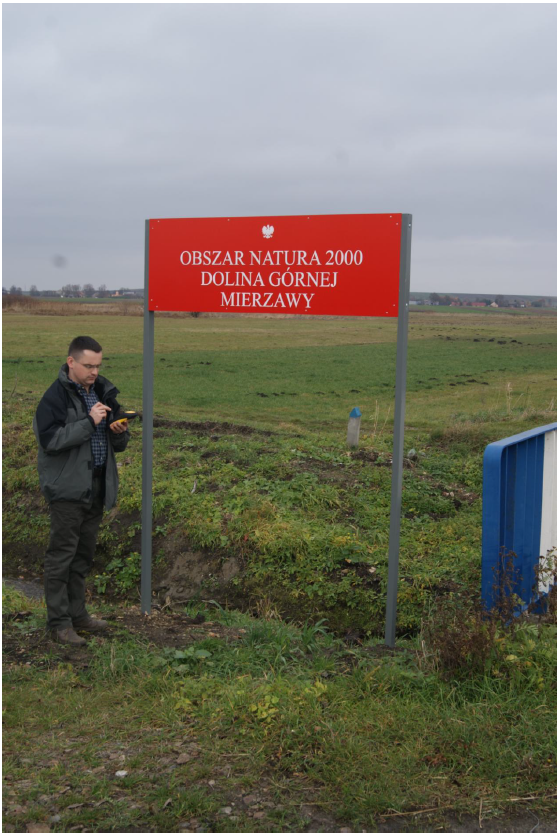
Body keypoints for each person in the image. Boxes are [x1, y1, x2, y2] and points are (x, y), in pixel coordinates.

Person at [33, 336, 131, 646]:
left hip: (97, 487)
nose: (94, 372)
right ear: (71, 362)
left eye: (98, 365)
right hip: (67, 489)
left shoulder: (103, 391)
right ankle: (59, 624)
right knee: (61, 557)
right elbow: (51, 440)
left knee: (83, 556)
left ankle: (78, 615)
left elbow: (118, 443)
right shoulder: (54, 397)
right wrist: (90, 422)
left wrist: (118, 431)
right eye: (88, 366)